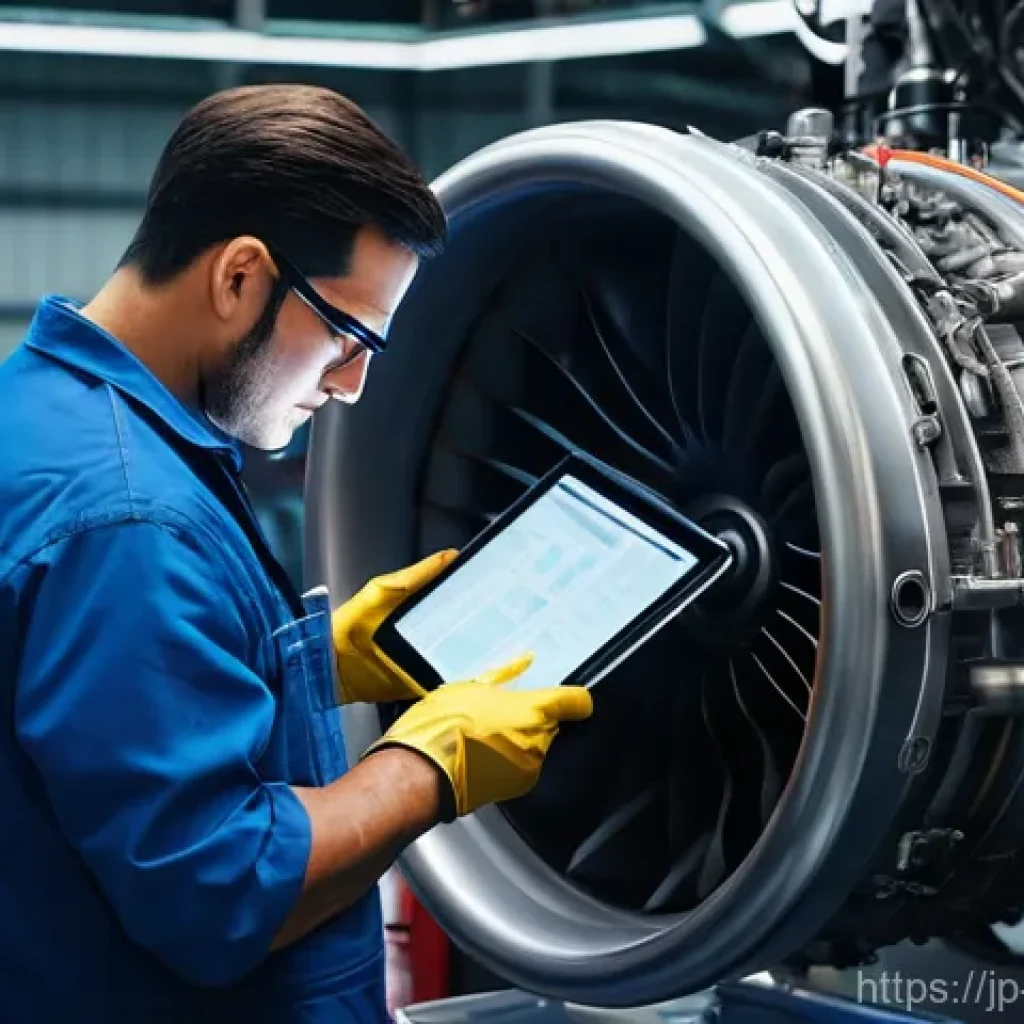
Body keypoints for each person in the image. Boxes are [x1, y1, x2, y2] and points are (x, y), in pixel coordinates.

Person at [0, 84, 593, 1022]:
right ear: (240, 276)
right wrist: (427, 766)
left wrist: (315, 663)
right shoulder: (129, 518)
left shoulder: (45, 414)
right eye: (347, 334)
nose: (352, 386)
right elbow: (219, 889)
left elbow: (105, 719)